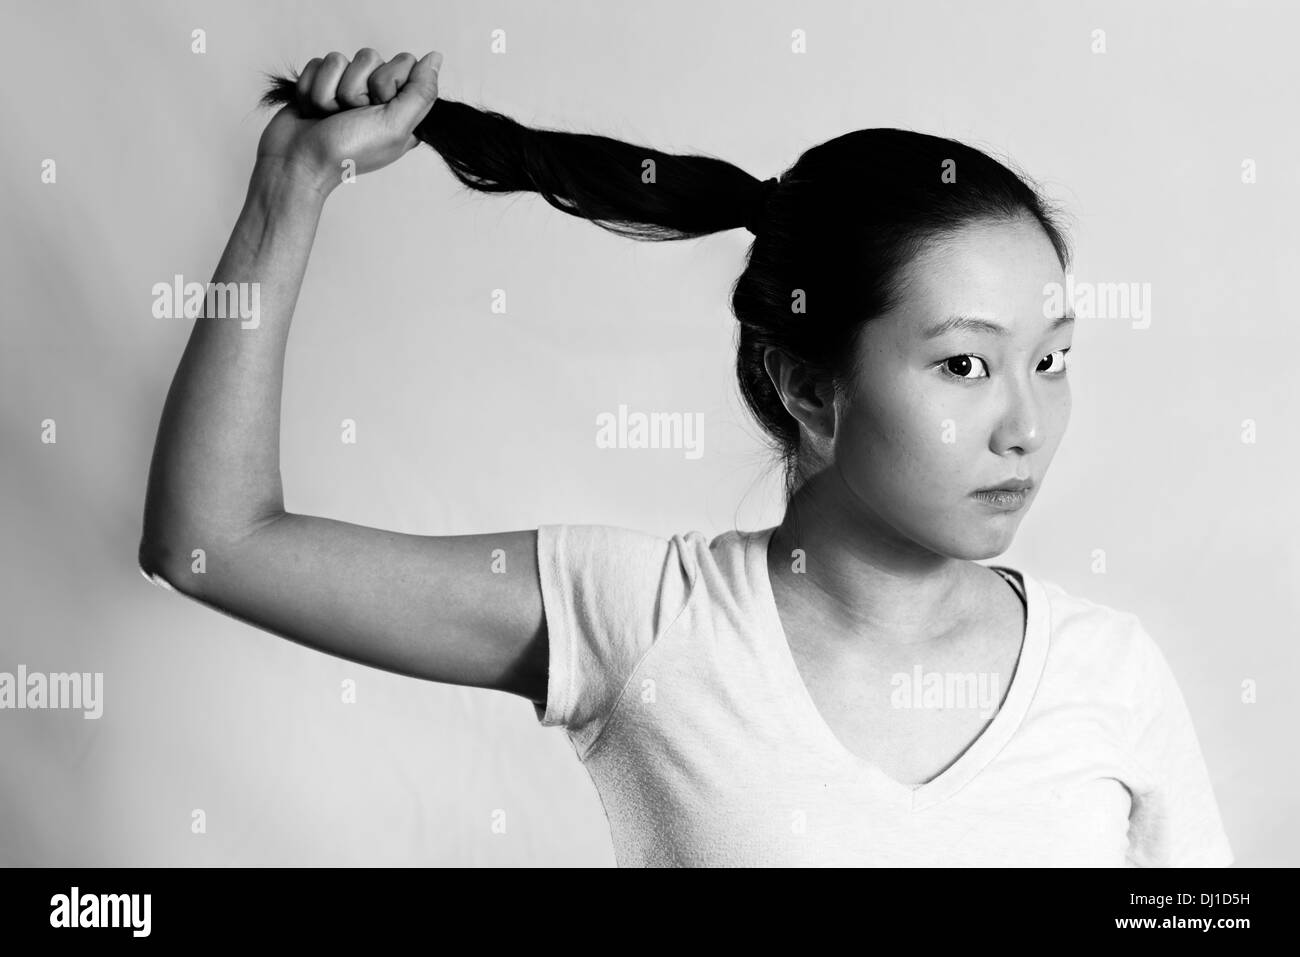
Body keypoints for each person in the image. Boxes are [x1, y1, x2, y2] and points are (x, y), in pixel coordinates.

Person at [139, 48, 1234, 867]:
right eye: (961, 366)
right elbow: (211, 543)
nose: (1025, 426)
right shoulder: (645, 620)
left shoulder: (1110, 673)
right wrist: (289, 191)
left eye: (1051, 361)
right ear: (810, 388)